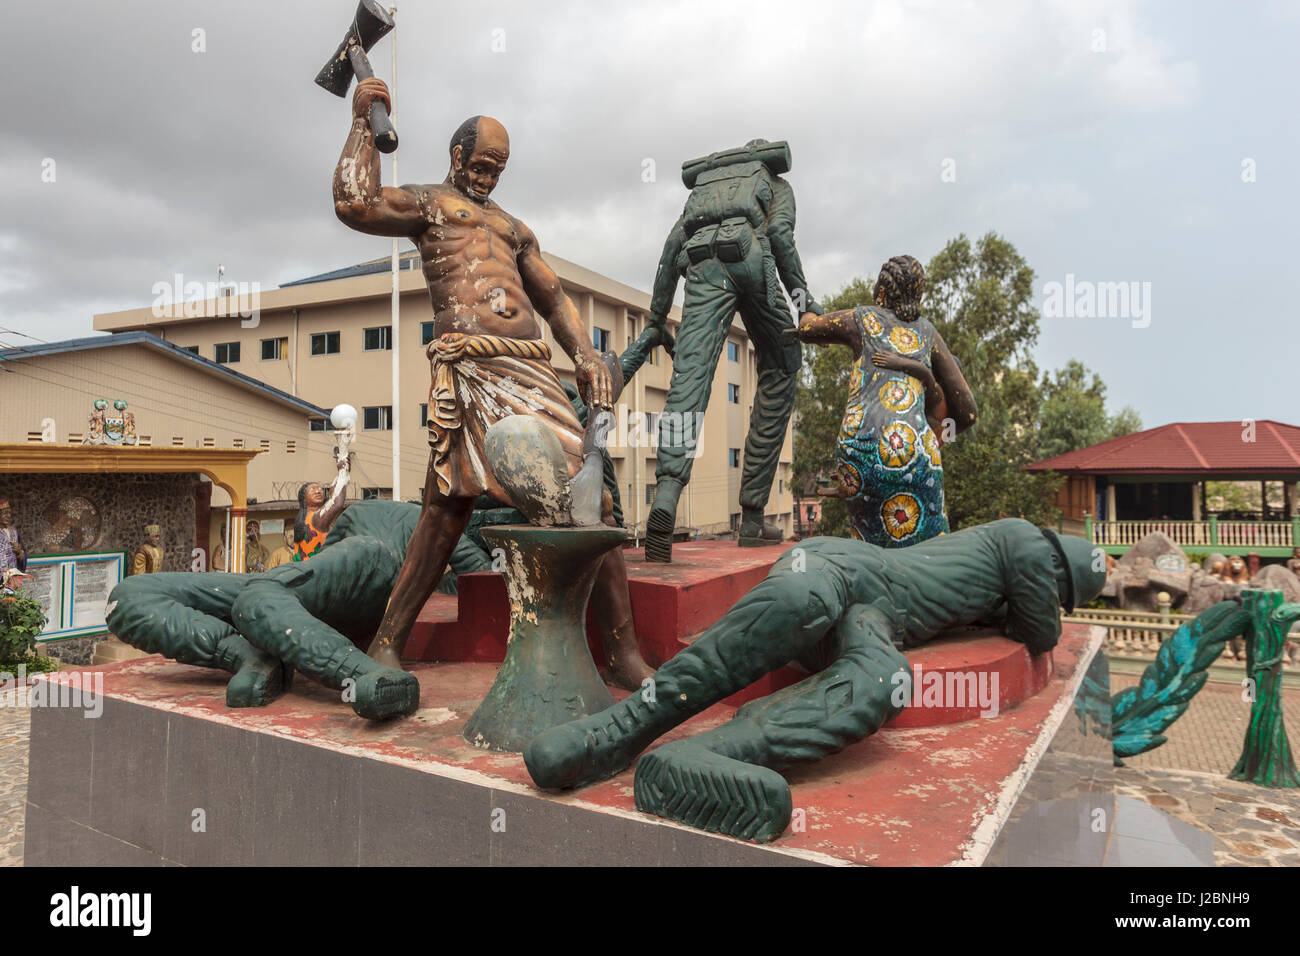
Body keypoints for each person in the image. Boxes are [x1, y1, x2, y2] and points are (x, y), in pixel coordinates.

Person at [331, 77, 654, 688]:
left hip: (529, 368)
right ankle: (387, 642)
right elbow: (355, 203)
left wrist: (585, 355)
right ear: (458, 156)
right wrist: (359, 123)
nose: (490, 175)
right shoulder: (429, 204)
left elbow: (554, 296)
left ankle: (622, 651)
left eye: (500, 167)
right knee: (445, 509)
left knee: (597, 501)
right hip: (470, 366)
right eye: (483, 163)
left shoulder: (513, 228)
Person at [525, 519, 1107, 841]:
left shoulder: (1004, 559)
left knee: (883, 679)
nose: (1053, 596)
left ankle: (707, 755)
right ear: (1061, 569)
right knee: (796, 603)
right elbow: (1041, 631)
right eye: (1062, 593)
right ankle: (621, 728)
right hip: (845, 564)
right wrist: (1034, 609)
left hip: (879, 616)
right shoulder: (1028, 542)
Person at [643, 139, 820, 560]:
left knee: (691, 377)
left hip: (703, 270)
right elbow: (779, 235)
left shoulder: (702, 194)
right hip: (753, 262)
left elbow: (670, 254)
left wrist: (656, 318)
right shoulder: (775, 186)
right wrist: (803, 304)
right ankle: (754, 517)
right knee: (780, 365)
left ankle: (666, 496)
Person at [794, 256, 976, 547]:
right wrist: (935, 435)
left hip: (858, 453)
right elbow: (967, 414)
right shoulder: (927, 332)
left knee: (871, 550)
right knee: (933, 553)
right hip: (914, 450)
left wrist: (807, 313)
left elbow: (807, 332)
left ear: (881, 290)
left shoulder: (859, 318)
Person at [293, 450, 351, 562]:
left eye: (319, 488)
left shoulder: (310, 517)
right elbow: (337, 503)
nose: (318, 491)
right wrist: (342, 471)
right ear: (304, 498)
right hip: (316, 570)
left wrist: (343, 472)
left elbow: (333, 495)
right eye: (313, 489)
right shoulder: (315, 518)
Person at [0, 499, 25, 575]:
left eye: (9, 513)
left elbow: (23, 555)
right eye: (5, 513)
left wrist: (20, 552)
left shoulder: (13, 532)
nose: (9, 516)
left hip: (12, 580)